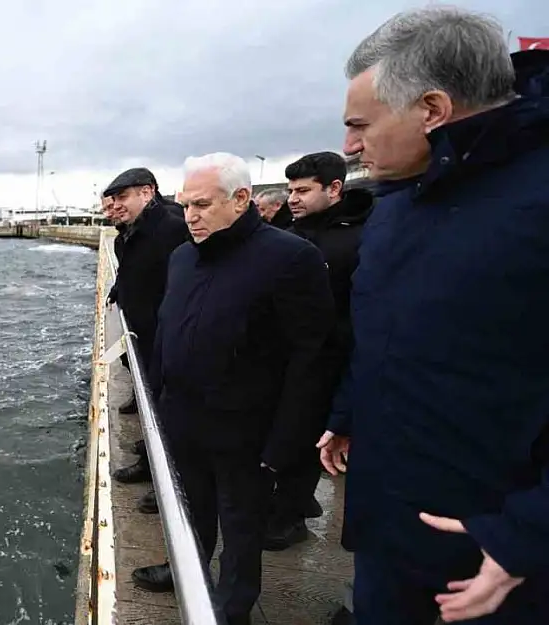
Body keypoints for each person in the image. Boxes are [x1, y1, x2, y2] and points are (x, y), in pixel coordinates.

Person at [320, 8, 549, 624]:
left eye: (359, 125)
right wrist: (348, 414)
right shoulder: (396, 203)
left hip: (499, 562)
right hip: (388, 535)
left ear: (432, 110)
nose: (348, 147)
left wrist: (527, 535)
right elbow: (383, 333)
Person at [134, 152, 334, 625]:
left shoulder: (291, 258)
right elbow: (169, 329)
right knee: (191, 509)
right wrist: (160, 406)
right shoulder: (183, 257)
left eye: (202, 205)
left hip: (247, 430)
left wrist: (286, 443)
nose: (190, 216)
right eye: (185, 206)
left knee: (241, 524)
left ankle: (232, 604)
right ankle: (187, 569)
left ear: (241, 198)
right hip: (183, 417)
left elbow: (313, 357)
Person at [263, 151, 374, 551]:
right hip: (287, 355)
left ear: (334, 188)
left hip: (330, 358)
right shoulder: (291, 233)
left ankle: (289, 519)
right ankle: (294, 502)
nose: (293, 198)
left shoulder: (358, 238)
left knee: (309, 438)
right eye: (290, 190)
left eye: (303, 190)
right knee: (287, 431)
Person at [102, 168, 190, 503]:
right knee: (153, 409)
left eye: (123, 197)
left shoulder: (172, 229)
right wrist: (117, 290)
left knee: (169, 415)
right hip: (145, 336)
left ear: (147, 192)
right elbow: (132, 271)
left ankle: (169, 486)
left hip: (167, 337)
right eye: (114, 200)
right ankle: (148, 462)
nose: (117, 206)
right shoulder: (133, 230)